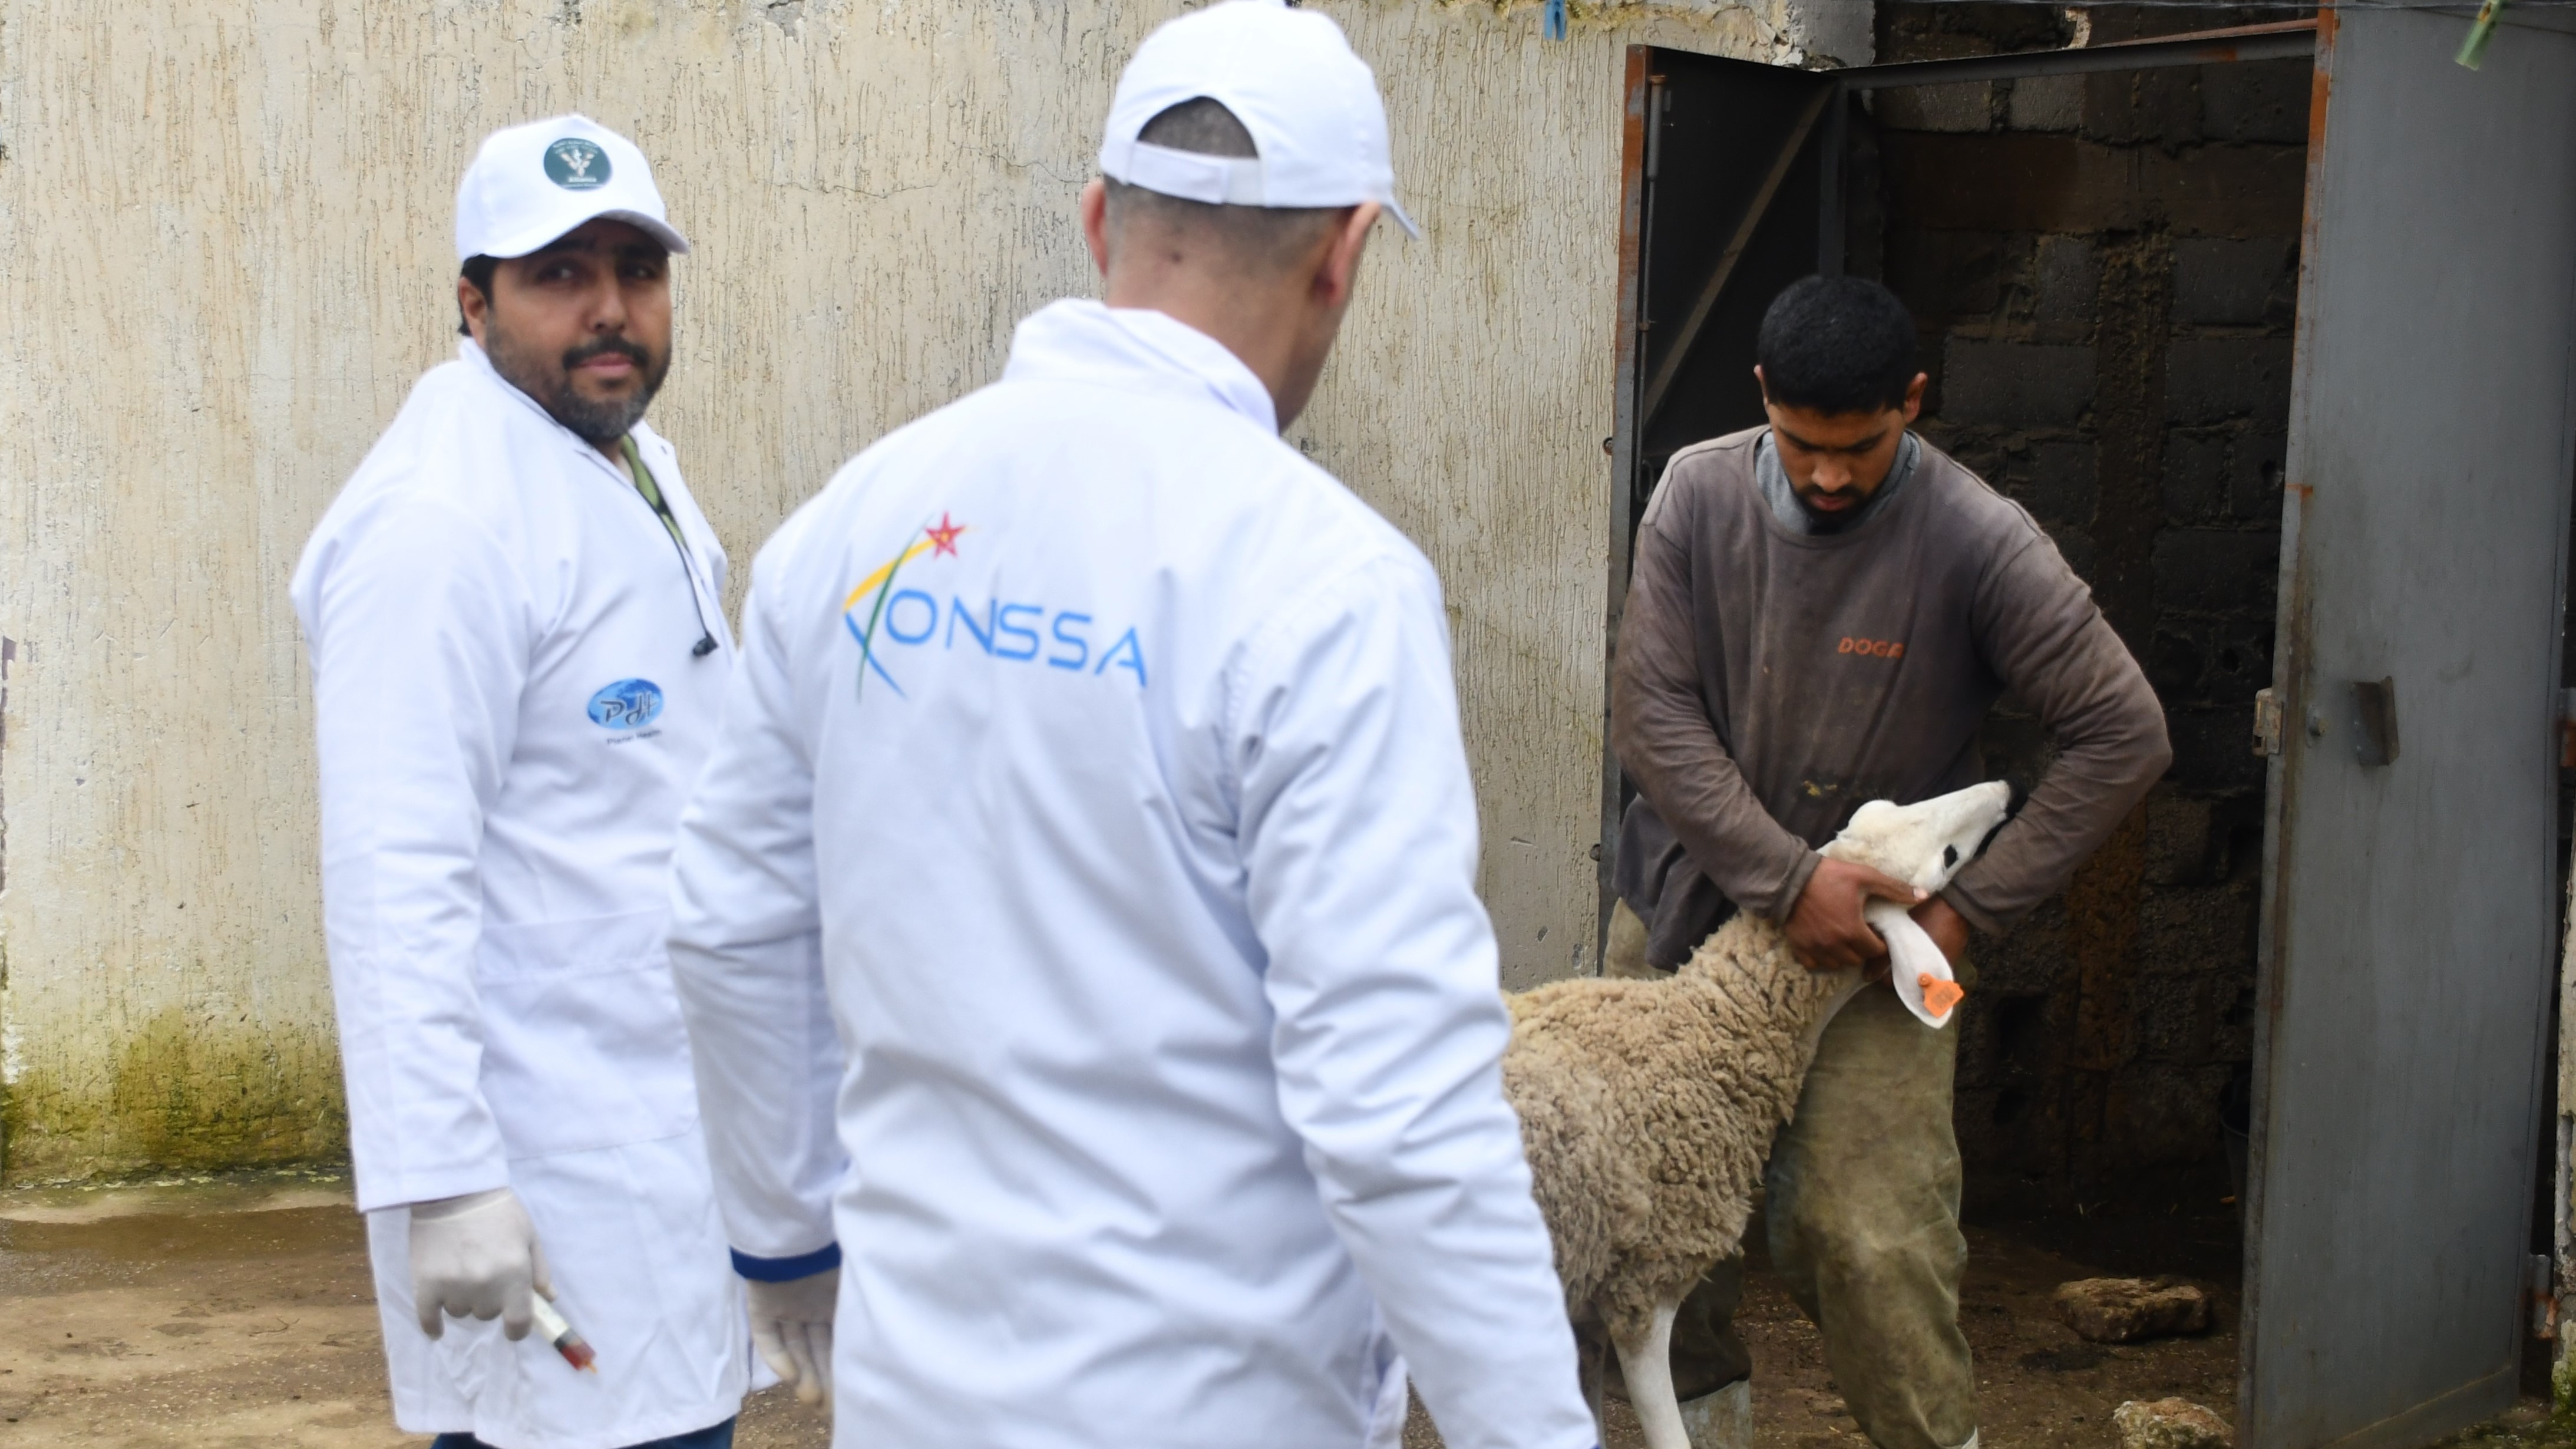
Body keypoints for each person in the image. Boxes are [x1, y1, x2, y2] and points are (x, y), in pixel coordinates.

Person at [663, 5, 1598, 1448]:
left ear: (1099, 218)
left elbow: (730, 927)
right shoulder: (1323, 584)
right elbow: (1399, 1108)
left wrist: (784, 1238)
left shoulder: (850, 525)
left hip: (918, 1396)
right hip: (1216, 1403)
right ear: (1344, 253)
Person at [1607, 273, 2171, 1449]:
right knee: (1658, 1236)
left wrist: (1968, 913)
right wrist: (1784, 879)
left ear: (1911, 402)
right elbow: (1652, 713)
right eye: (1800, 442)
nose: (1826, 476)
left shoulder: (1976, 539)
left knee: (1867, 1238)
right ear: (1762, 396)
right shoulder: (1696, 496)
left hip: (1869, 960)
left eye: (1857, 448)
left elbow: (2124, 733)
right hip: (1683, 920)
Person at [290, 115, 745, 1449]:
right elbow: (393, 871)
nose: (610, 309)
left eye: (637, 270)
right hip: (541, 1175)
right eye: (559, 275)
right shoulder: (437, 524)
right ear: (473, 301)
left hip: (659, 1132)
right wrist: (441, 1181)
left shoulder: (624, 460)